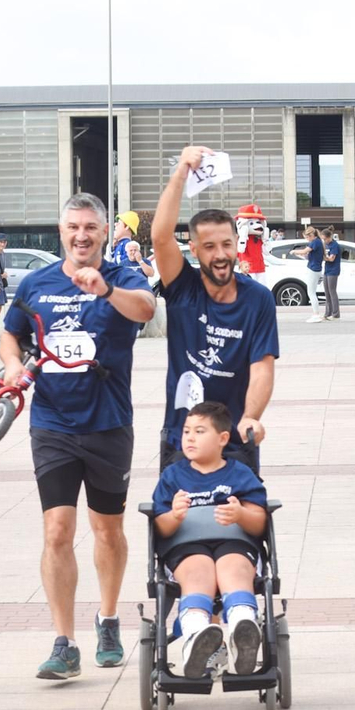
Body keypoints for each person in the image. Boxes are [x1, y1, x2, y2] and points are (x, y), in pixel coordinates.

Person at [0, 192, 155, 680]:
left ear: (104, 232)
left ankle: (107, 619)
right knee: (57, 531)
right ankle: (64, 642)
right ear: (60, 231)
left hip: (108, 422)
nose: (82, 235)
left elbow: (146, 309)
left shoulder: (123, 277)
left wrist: (104, 290)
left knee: (107, 530)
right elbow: (11, 332)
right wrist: (10, 366)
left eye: (90, 227)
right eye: (73, 227)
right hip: (52, 423)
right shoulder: (37, 283)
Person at [151, 144, 279, 471]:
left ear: (237, 244)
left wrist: (251, 417)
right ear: (194, 249)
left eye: (226, 244)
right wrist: (181, 170)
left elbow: (262, 367)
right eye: (209, 247)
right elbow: (161, 237)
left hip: (235, 438)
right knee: (177, 520)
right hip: (183, 437)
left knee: (242, 520)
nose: (220, 254)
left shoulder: (257, 299)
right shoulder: (183, 287)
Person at [152, 402, 269, 677]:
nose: (190, 437)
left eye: (200, 431)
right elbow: (160, 526)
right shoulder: (173, 476)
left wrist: (240, 514)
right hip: (186, 545)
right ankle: (196, 637)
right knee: (197, 571)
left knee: (235, 567)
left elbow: (259, 520)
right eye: (186, 431)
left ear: (222, 439)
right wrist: (174, 515)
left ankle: (244, 629)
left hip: (234, 541)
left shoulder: (240, 473)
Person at [234, 204, 268, 286]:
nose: (258, 226)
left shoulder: (259, 239)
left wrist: (266, 240)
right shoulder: (241, 239)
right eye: (252, 223)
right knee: (250, 289)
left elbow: (267, 252)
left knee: (262, 288)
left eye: (258, 222)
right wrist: (243, 236)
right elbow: (240, 250)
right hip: (248, 268)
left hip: (260, 267)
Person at [319, 226, 343, 321]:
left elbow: (332, 258)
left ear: (329, 237)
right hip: (327, 269)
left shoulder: (334, 245)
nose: (324, 241)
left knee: (332, 291)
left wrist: (324, 258)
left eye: (325, 239)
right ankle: (327, 313)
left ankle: (335, 313)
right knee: (327, 292)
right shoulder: (325, 245)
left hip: (333, 270)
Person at [303, 226, 325, 322]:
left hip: (313, 269)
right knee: (312, 292)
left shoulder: (315, 242)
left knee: (311, 292)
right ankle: (316, 314)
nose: (307, 239)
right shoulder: (318, 242)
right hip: (316, 269)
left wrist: (294, 251)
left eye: (307, 237)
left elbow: (304, 251)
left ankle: (316, 314)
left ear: (311, 235)